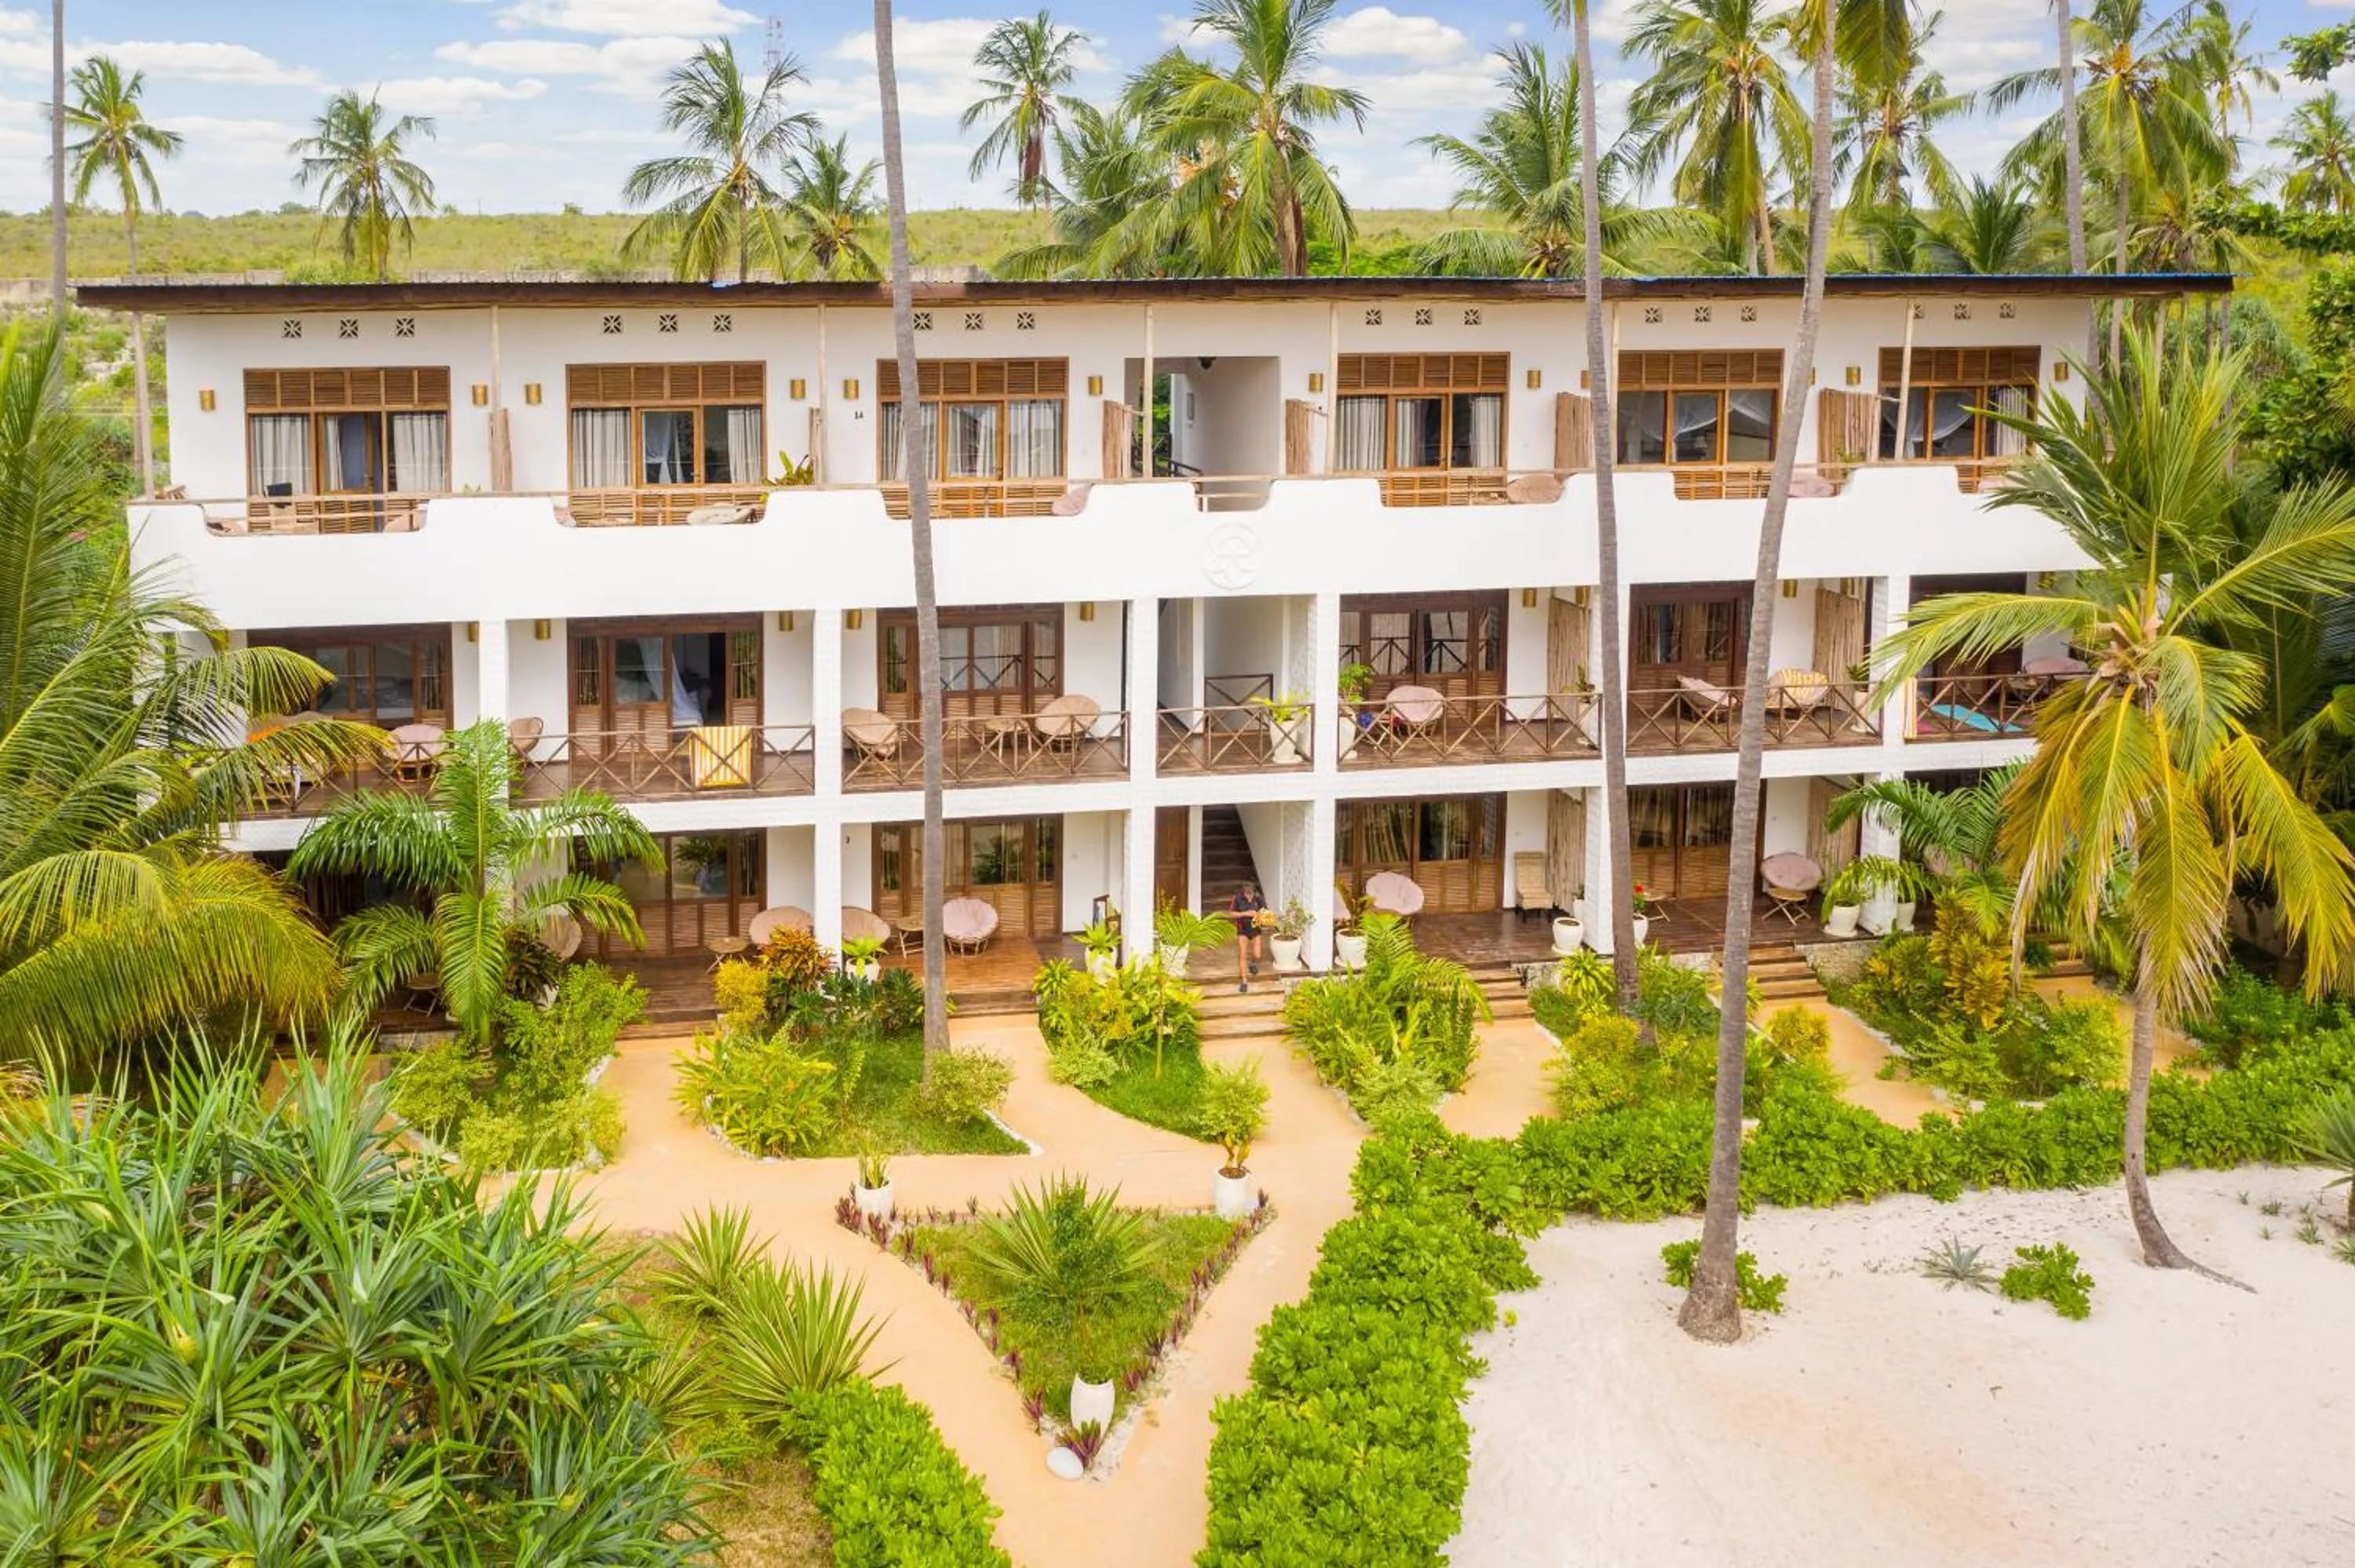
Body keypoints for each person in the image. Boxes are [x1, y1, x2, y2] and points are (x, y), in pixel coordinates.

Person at [1228, 880, 1269, 993]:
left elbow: (1265, 912)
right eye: (1247, 894)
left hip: (1256, 929)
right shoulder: (1237, 898)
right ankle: (1244, 982)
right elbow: (1231, 914)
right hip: (1243, 930)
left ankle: (1252, 963)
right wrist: (1245, 913)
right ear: (1244, 892)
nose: (1250, 896)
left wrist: (1260, 915)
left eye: (1251, 894)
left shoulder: (1258, 897)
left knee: (1258, 955)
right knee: (1243, 955)